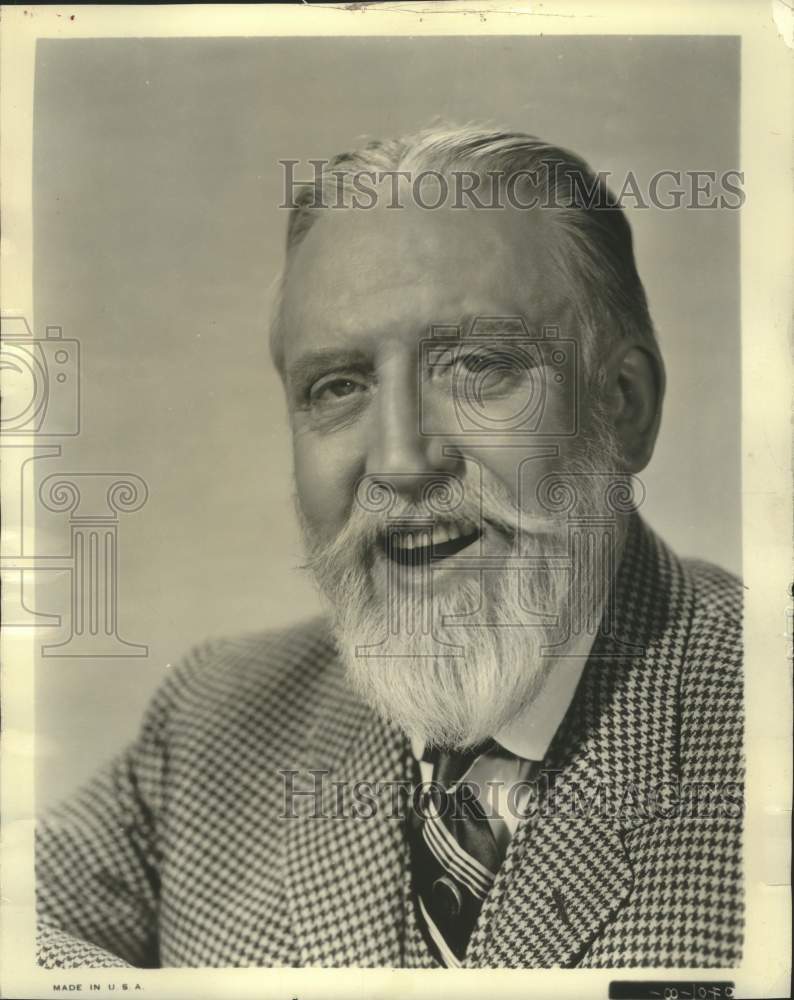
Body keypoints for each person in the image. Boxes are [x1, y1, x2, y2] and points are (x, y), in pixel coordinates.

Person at [36, 124, 743, 970]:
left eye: (477, 365)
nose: (403, 462)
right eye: (338, 386)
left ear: (623, 405)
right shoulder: (214, 717)